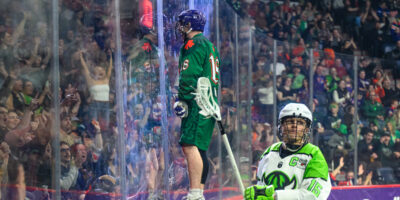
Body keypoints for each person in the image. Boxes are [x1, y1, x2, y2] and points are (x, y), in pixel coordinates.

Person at [173, 9, 220, 200]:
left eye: (183, 23)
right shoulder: (208, 44)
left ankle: (195, 194)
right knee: (200, 149)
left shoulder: (192, 43)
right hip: (209, 101)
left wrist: (182, 98)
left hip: (197, 101)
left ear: (190, 25)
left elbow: (189, 74)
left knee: (189, 145)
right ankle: (198, 192)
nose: (180, 28)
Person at [244, 103, 331, 200]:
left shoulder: (314, 155)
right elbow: (262, 187)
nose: (294, 125)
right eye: (290, 121)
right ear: (281, 126)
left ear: (307, 129)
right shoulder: (269, 152)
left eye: (300, 123)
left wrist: (275, 196)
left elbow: (313, 196)